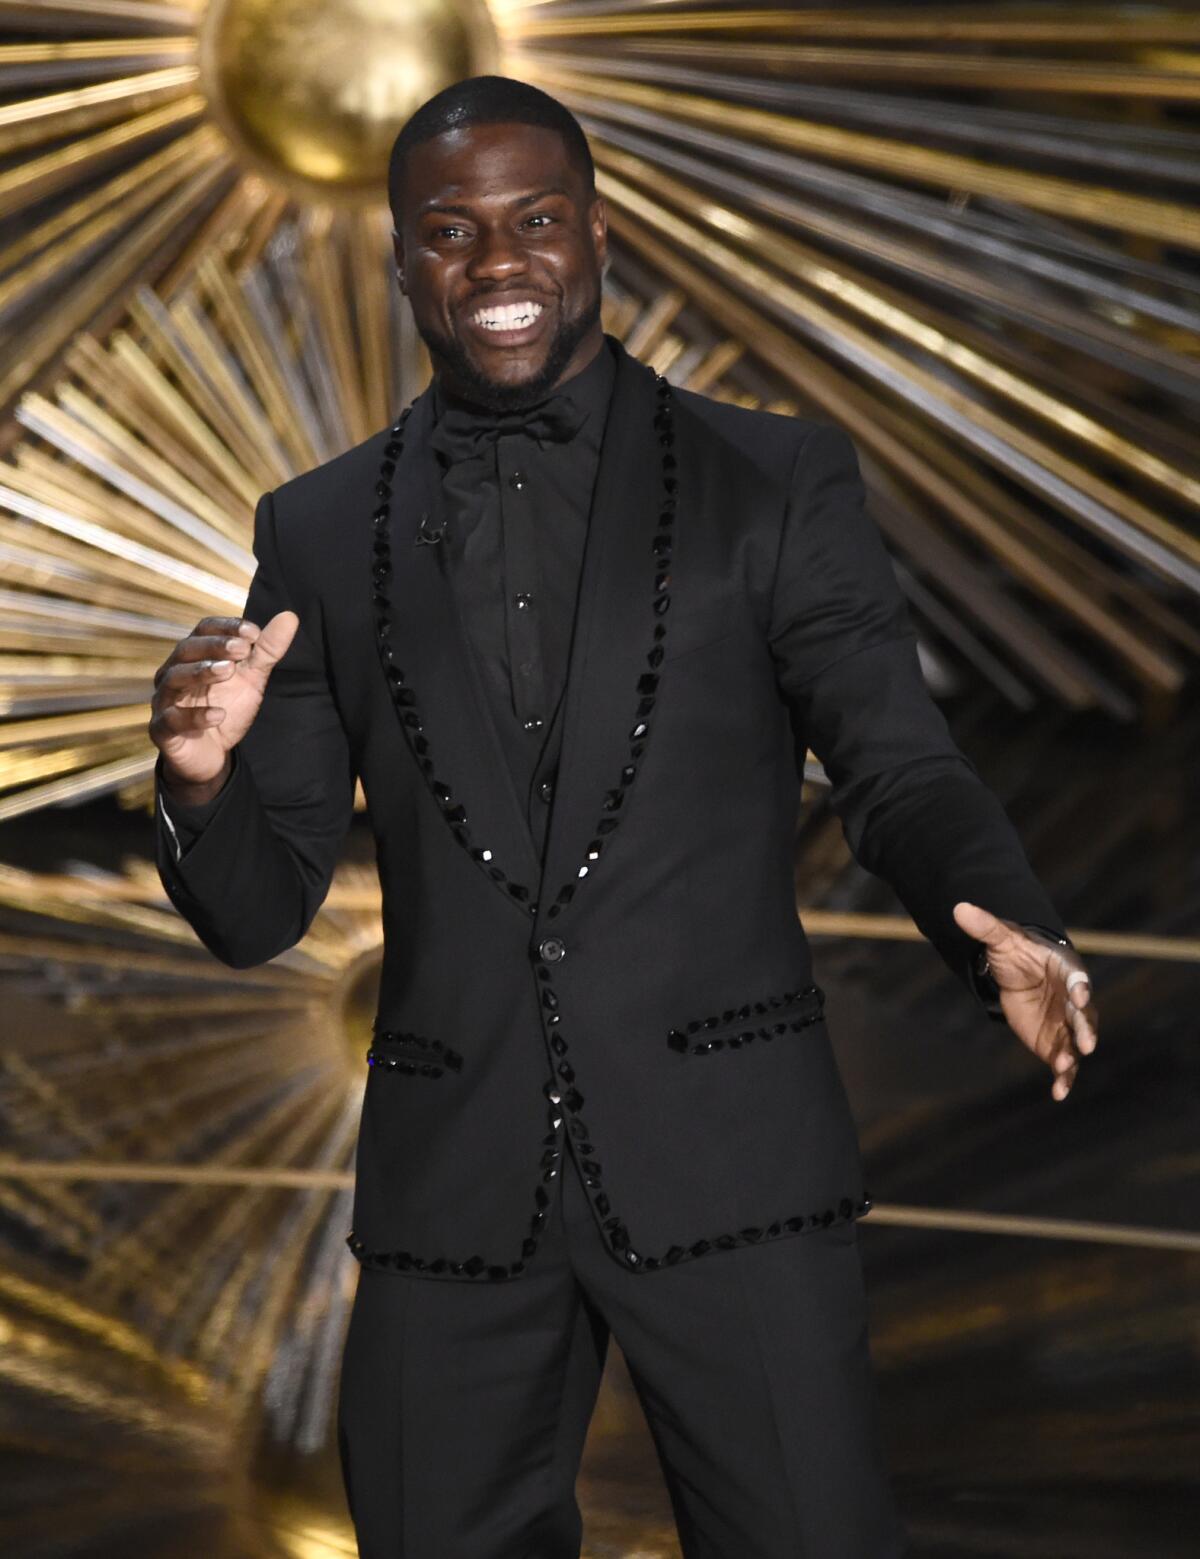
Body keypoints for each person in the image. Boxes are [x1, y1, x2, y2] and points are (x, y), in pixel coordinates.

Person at [149, 74, 1099, 1559]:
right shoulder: (316, 532)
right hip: (449, 1195)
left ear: (598, 231)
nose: (499, 262)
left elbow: (898, 766)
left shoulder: (774, 482)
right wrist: (199, 779)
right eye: (451, 232)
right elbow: (259, 911)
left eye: (535, 220)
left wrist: (1008, 929)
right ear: (401, 260)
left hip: (734, 1166)